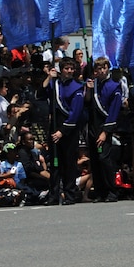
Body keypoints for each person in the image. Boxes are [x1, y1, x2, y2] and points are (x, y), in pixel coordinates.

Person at [44, 56, 85, 205]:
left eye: (71, 68)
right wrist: (49, 77)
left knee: (69, 164)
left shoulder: (78, 87)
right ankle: (53, 195)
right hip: (54, 126)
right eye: (66, 68)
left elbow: (76, 112)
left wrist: (62, 131)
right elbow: (42, 94)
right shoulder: (55, 84)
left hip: (69, 129)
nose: (69, 71)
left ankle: (70, 195)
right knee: (55, 165)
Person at [86, 56, 124, 202]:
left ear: (108, 68)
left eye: (104, 68)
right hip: (92, 126)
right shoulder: (93, 84)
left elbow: (114, 111)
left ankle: (111, 191)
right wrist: (88, 91)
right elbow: (88, 103)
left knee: (104, 159)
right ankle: (100, 191)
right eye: (99, 69)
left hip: (104, 127)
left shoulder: (114, 86)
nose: (101, 71)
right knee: (95, 160)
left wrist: (105, 132)